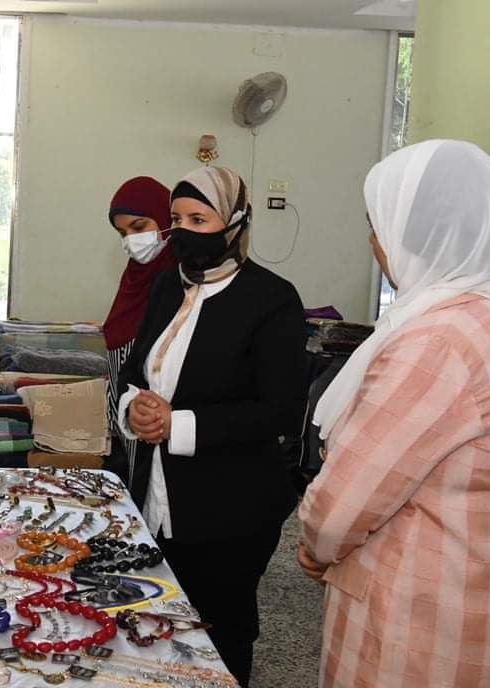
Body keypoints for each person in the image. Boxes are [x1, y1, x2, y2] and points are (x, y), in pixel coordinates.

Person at [298, 140, 490, 688]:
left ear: (421, 235)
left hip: (416, 626)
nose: (374, 244)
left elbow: (345, 504)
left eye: (379, 228)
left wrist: (314, 545)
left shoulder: (438, 342)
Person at [117, 165, 306, 687]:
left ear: (235, 222)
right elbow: (136, 372)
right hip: (158, 490)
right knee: (157, 618)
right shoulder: (166, 285)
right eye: (176, 219)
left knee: (220, 628)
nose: (183, 231)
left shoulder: (271, 299)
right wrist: (133, 409)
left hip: (233, 503)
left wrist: (177, 424)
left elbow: (281, 409)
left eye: (199, 219)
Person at [103, 177, 177, 484]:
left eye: (139, 226)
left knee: (147, 482)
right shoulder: (134, 276)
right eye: (123, 233)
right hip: (125, 406)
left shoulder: (179, 279)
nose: (131, 240)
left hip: (154, 413)